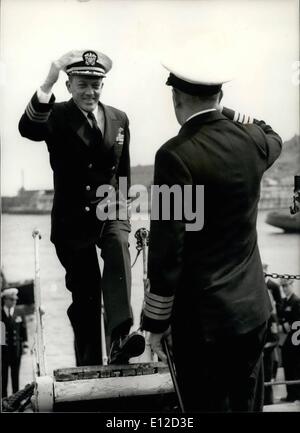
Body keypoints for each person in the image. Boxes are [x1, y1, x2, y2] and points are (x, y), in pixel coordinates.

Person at [142, 52, 282, 412]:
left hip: (204, 325)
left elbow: (167, 247)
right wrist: (229, 113)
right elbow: (271, 132)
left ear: (175, 98)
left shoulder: (174, 156)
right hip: (253, 312)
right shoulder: (252, 143)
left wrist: (156, 322)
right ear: (220, 96)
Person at [19, 50, 145, 366]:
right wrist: (48, 77)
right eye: (82, 84)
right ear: (69, 85)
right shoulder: (57, 115)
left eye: (96, 84)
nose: (90, 92)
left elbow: (123, 169)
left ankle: (119, 339)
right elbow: (28, 129)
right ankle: (88, 365)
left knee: (118, 246)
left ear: (103, 84)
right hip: (72, 222)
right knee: (86, 295)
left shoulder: (119, 118)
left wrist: (126, 203)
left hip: (110, 209)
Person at [1, 288, 28, 397]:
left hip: (16, 351)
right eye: (12, 299)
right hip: (2, 351)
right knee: (3, 378)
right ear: (5, 300)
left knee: (15, 376)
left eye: (15, 299)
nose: (14, 302)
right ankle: (3, 401)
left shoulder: (19, 312)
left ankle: (15, 399)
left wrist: (25, 345)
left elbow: (23, 330)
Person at [278, 278, 300, 402]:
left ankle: (295, 395)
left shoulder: (296, 301)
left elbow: (297, 322)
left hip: (294, 341)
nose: (284, 289)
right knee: (288, 368)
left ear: (292, 284)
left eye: (286, 285)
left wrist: (285, 326)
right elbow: (282, 317)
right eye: (282, 286)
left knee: (294, 368)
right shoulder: (285, 301)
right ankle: (291, 395)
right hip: (287, 341)